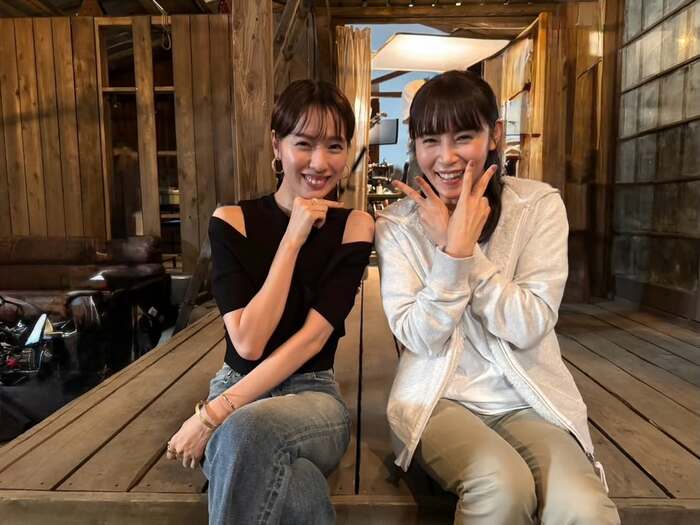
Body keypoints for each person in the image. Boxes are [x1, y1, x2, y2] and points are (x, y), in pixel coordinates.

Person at [375, 70, 620, 525]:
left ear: (494, 135)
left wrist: (464, 251)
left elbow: (529, 325)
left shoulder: (537, 207)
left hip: (528, 399)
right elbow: (419, 337)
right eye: (430, 141)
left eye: (463, 137)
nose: (446, 157)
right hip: (435, 400)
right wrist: (451, 256)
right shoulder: (398, 225)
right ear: (415, 147)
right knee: (501, 484)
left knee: (583, 507)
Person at [166, 79, 374, 525]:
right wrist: (292, 239)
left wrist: (211, 417)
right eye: (304, 144)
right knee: (298, 484)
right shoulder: (232, 220)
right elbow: (248, 342)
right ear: (277, 145)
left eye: (335, 146)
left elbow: (312, 339)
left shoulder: (355, 226)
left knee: (242, 432)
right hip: (236, 385)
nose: (320, 162)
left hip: (312, 397)